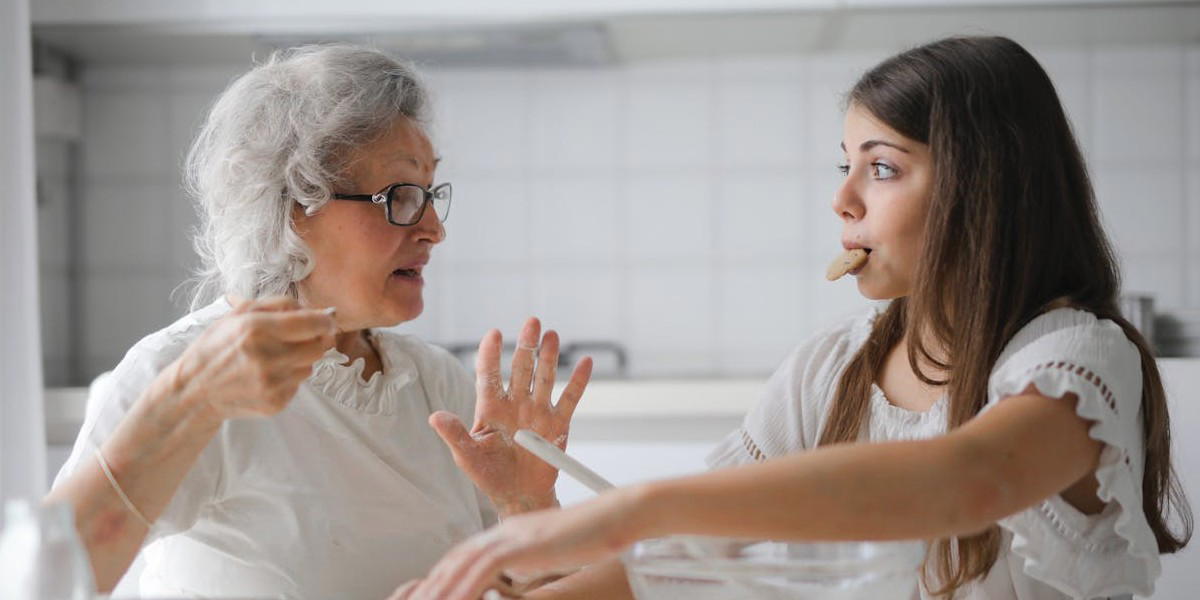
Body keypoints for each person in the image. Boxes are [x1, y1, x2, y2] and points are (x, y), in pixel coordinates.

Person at [402, 36, 1192, 600]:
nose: (842, 198)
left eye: (881, 168)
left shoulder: (1077, 359)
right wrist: (505, 550)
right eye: (844, 166)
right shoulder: (831, 367)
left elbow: (968, 481)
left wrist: (637, 505)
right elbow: (679, 563)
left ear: (986, 189)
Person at [46, 44, 592, 599]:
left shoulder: (437, 385)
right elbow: (45, 582)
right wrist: (187, 401)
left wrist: (526, 508)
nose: (433, 228)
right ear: (291, 207)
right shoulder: (181, 370)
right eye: (401, 195)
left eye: (430, 194)